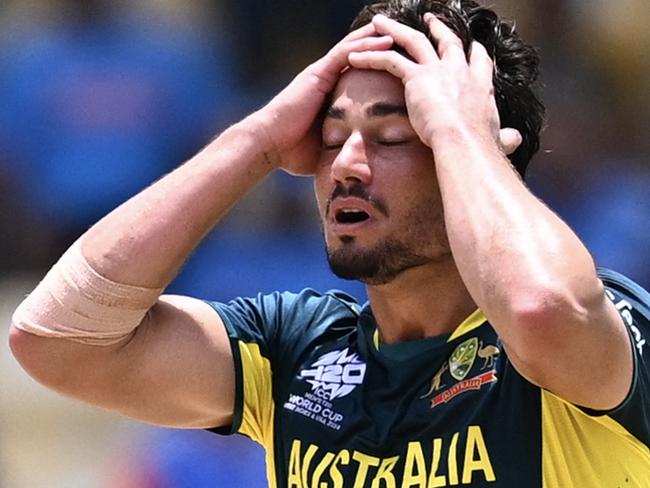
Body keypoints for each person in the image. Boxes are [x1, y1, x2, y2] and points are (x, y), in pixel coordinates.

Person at [9, 0, 650, 486]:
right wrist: (256, 140)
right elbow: (55, 339)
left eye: (395, 136)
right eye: (331, 132)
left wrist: (461, 134)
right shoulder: (296, 349)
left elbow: (541, 308)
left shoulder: (606, 327)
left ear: (483, 153)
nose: (345, 163)